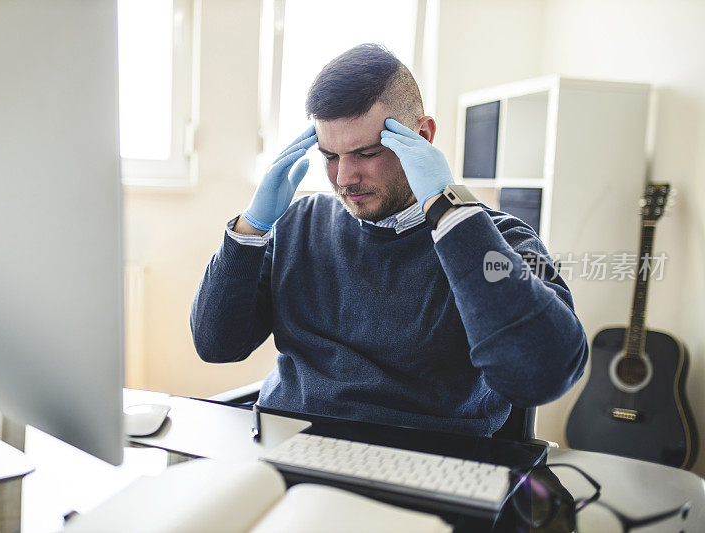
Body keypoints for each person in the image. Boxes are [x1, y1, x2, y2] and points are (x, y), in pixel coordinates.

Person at [190, 43, 588, 436]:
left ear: (423, 137)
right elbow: (216, 344)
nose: (344, 178)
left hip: (422, 464)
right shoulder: (299, 224)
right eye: (330, 156)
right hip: (289, 448)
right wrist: (250, 229)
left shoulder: (495, 239)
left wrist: (451, 212)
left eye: (366, 153)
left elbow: (542, 376)